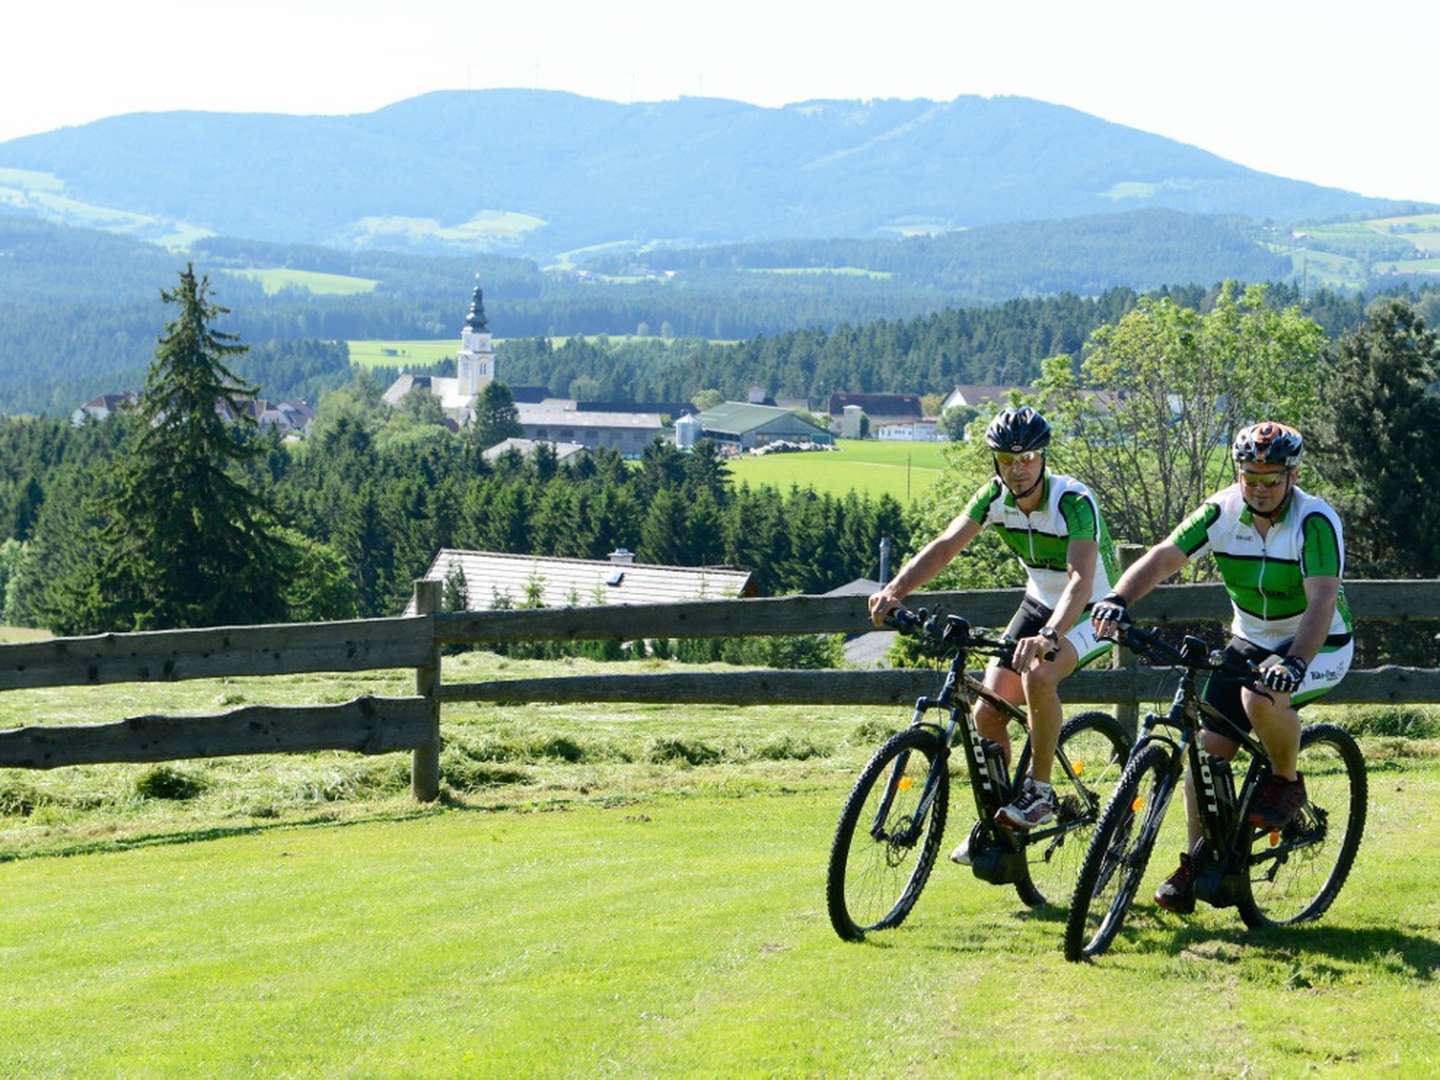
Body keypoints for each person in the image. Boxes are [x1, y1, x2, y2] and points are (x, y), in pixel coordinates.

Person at [1091, 421, 1353, 915]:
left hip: (1320, 643)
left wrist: (1295, 661)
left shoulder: (1314, 521)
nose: (1258, 489)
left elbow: (1321, 601)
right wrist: (1117, 597)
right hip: (1250, 638)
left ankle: (1285, 780)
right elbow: (1166, 555)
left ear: (1292, 475)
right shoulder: (1221, 510)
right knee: (1205, 750)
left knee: (1261, 696)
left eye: (1271, 479)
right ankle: (1198, 861)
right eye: (1249, 477)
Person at [869, 406, 1118, 856]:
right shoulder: (994, 497)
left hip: (1092, 608)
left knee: (1039, 675)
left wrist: (1050, 636)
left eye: (1027, 459)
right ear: (996, 462)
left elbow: (1081, 580)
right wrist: (895, 590)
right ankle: (1001, 823)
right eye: (1007, 460)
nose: (1018, 470)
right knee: (987, 710)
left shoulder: (1073, 502)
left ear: (1043, 458)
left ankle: (1039, 791)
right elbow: (946, 547)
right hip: (1040, 599)